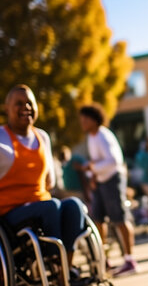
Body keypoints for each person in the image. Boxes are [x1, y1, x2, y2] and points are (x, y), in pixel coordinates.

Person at [0, 84, 86, 280]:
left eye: (30, 103)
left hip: (42, 205)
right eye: (19, 104)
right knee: (51, 207)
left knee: (74, 206)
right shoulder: (1, 138)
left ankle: (65, 268)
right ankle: (54, 268)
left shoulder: (43, 137)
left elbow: (50, 182)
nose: (26, 107)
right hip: (9, 213)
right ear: (7, 109)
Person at [79, 104, 138, 277]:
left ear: (93, 119)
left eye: (84, 119)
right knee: (98, 220)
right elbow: (97, 162)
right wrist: (93, 176)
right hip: (101, 181)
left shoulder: (104, 135)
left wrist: (91, 167)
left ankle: (130, 260)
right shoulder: (91, 137)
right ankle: (103, 260)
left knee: (119, 218)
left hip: (113, 179)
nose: (82, 123)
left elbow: (113, 161)